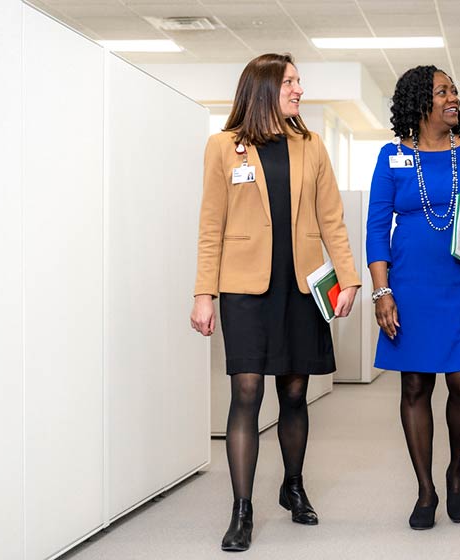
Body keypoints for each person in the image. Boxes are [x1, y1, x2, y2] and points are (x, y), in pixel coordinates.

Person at [190, 53, 361, 552]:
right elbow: (210, 227)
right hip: (244, 288)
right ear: (264, 88)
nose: (299, 90)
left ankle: (293, 485)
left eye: (298, 82)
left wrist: (347, 278)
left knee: (293, 392)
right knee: (246, 392)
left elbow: (332, 219)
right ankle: (242, 509)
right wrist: (205, 292)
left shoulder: (311, 146)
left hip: (302, 287)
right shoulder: (223, 147)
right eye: (290, 82)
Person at [365, 65, 460, 530]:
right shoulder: (391, 157)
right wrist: (382, 290)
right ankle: (425, 487)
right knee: (415, 386)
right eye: (442, 91)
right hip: (410, 286)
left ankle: (456, 470)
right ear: (418, 102)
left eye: (454, 90)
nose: (453, 98)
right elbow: (376, 228)